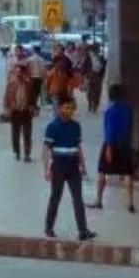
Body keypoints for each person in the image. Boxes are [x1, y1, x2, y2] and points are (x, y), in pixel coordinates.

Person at [42, 96, 96, 241]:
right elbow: (46, 150)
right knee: (55, 198)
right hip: (58, 167)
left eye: (71, 107)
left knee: (78, 199)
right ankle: (49, 227)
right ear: (59, 109)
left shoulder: (76, 126)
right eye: (65, 107)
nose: (69, 110)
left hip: (73, 167)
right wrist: (47, 169)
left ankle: (83, 231)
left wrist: (83, 166)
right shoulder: (52, 127)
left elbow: (78, 148)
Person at [87, 84, 136, 213]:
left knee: (102, 171)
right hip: (125, 143)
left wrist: (109, 148)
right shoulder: (128, 108)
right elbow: (130, 126)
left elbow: (109, 131)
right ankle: (130, 202)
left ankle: (98, 200)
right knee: (127, 173)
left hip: (111, 144)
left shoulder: (110, 110)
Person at [3, 60, 35, 162]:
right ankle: (17, 152)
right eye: (17, 71)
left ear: (24, 72)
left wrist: (34, 108)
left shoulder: (29, 83)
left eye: (20, 71)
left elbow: (33, 98)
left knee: (27, 133)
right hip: (15, 111)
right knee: (15, 133)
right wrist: (7, 109)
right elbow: (6, 97)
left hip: (26, 111)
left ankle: (27, 154)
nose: (18, 73)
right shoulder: (11, 83)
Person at [86, 43, 106, 113]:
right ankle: (91, 104)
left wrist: (103, 74)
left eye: (97, 48)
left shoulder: (101, 57)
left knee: (97, 91)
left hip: (98, 75)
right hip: (91, 74)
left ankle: (95, 105)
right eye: (96, 49)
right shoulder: (88, 57)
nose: (97, 50)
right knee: (91, 91)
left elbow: (103, 67)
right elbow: (85, 66)